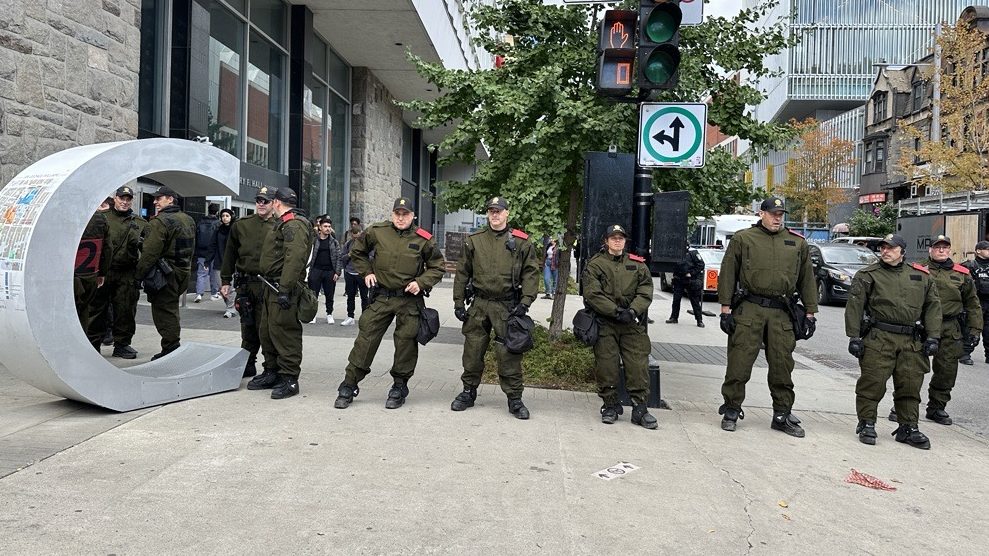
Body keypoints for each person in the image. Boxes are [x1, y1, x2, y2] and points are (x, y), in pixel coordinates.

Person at [716, 197, 817, 436]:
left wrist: (810, 313)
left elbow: (807, 279)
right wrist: (725, 309)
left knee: (782, 365)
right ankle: (731, 408)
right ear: (761, 214)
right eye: (773, 213)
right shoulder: (743, 239)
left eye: (780, 214)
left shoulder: (797, 242)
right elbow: (728, 273)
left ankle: (781, 413)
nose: (777, 217)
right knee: (739, 362)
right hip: (749, 308)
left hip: (782, 312)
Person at [334, 197, 445, 410]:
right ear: (392, 214)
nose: (400, 217)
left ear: (413, 216)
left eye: (405, 214)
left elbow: (437, 266)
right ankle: (349, 384)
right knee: (366, 339)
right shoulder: (377, 231)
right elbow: (357, 251)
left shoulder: (424, 239)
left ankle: (399, 386)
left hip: (409, 300)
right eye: (397, 213)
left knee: (406, 343)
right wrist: (366, 272)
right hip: (382, 296)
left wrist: (421, 282)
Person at [845, 234, 940, 449]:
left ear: (902, 251)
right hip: (880, 337)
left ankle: (908, 427)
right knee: (872, 383)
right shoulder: (868, 275)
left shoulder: (921, 276)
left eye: (891, 248)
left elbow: (933, 307)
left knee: (910, 385)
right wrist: (854, 336)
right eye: (883, 248)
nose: (885, 251)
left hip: (911, 340)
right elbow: (855, 306)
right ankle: (867, 422)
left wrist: (933, 336)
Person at [451, 196, 539, 419]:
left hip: (507, 306)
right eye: (491, 211)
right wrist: (459, 302)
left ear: (507, 213)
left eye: (499, 211)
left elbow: (531, 273)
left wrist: (525, 302)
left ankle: (514, 399)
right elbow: (462, 273)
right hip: (479, 304)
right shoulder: (474, 240)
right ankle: (468, 392)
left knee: (508, 353)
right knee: (472, 350)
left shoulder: (521, 242)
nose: (495, 215)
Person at [889, 235, 982, 426]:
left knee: (946, 371)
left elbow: (973, 304)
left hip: (949, 327)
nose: (941, 250)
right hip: (921, 326)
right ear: (930, 250)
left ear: (950, 250)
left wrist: (975, 329)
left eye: (945, 247)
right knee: (910, 370)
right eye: (937, 247)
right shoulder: (918, 270)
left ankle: (937, 407)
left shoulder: (962, 274)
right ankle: (902, 407)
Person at [580, 224, 658, 429]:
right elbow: (592, 293)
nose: (617, 241)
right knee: (607, 365)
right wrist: (615, 312)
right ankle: (610, 405)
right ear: (605, 241)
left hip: (631, 323)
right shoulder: (596, 264)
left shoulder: (638, 264)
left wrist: (632, 311)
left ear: (625, 241)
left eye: (621, 238)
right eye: (613, 238)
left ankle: (640, 409)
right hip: (606, 322)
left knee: (638, 365)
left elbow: (645, 291)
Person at [246, 187, 314, 399]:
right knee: (267, 331)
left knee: (285, 333)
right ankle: (272, 371)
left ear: (276, 202)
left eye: (270, 201)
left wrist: (284, 289)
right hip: (271, 286)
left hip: (282, 289)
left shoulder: (293, 224)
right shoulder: (284, 222)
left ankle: (290, 379)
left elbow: (294, 259)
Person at [220, 187, 277, 378]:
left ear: (274, 203)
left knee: (265, 327)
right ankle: (248, 363)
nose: (261, 204)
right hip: (245, 284)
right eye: (259, 200)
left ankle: (270, 367)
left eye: (265, 201)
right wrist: (225, 280)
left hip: (267, 285)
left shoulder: (280, 226)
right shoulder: (242, 225)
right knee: (247, 325)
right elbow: (230, 253)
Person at [134, 186, 195, 360]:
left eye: (158, 198)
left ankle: (171, 348)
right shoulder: (188, 219)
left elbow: (150, 253)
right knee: (171, 310)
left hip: (165, 275)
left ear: (170, 199)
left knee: (164, 313)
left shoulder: (160, 222)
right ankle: (171, 345)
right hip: (182, 272)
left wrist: (138, 276)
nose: (155, 201)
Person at [87, 185, 148, 358]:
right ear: (115, 199)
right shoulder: (101, 218)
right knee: (97, 309)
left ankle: (122, 344)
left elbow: (147, 249)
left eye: (128, 199)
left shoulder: (140, 223)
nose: (125, 202)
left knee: (125, 310)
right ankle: (93, 344)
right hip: (103, 272)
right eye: (122, 198)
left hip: (127, 273)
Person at [75, 199, 111, 337]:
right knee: (84, 310)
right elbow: (107, 248)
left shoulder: (63, 215)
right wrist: (102, 272)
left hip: (69, 275)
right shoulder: (100, 218)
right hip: (90, 273)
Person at [307, 218, 341, 324]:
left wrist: (337, 272)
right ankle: (313, 315)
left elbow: (339, 258)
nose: (328, 229)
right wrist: (308, 271)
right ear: (320, 228)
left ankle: (329, 314)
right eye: (325, 226)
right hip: (316, 270)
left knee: (329, 295)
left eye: (329, 227)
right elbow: (308, 255)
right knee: (313, 294)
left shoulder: (334, 242)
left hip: (329, 271)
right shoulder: (314, 241)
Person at [963, 240, 989, 364]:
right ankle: (965, 353)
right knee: (972, 328)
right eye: (987, 249)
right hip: (975, 303)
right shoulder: (970, 265)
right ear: (978, 251)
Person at [667, 242, 705, 327]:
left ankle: (699, 320)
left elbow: (701, 264)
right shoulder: (675, 255)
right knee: (676, 300)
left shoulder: (693, 253)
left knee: (694, 301)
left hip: (691, 280)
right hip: (679, 279)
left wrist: (691, 273)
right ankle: (674, 317)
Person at [339, 223, 368, 326]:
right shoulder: (348, 244)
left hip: (362, 273)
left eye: (358, 236)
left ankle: (365, 317)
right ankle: (350, 316)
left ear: (361, 233)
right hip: (350, 272)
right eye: (353, 236)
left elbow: (371, 257)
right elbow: (342, 257)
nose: (356, 238)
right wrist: (349, 255)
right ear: (351, 234)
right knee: (350, 296)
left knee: (364, 296)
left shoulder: (366, 244)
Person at [194, 203, 221, 303]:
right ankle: (214, 293)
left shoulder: (200, 222)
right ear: (217, 211)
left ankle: (199, 294)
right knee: (214, 273)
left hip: (201, 252)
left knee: (201, 273)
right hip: (213, 252)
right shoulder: (218, 223)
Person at [214, 208, 237, 318]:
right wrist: (207, 261)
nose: (225, 218)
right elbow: (212, 244)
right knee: (221, 287)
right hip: (219, 261)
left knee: (230, 287)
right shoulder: (218, 229)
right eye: (223, 216)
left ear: (231, 217)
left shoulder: (235, 229)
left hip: (232, 262)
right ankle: (229, 305)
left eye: (227, 216)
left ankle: (230, 308)